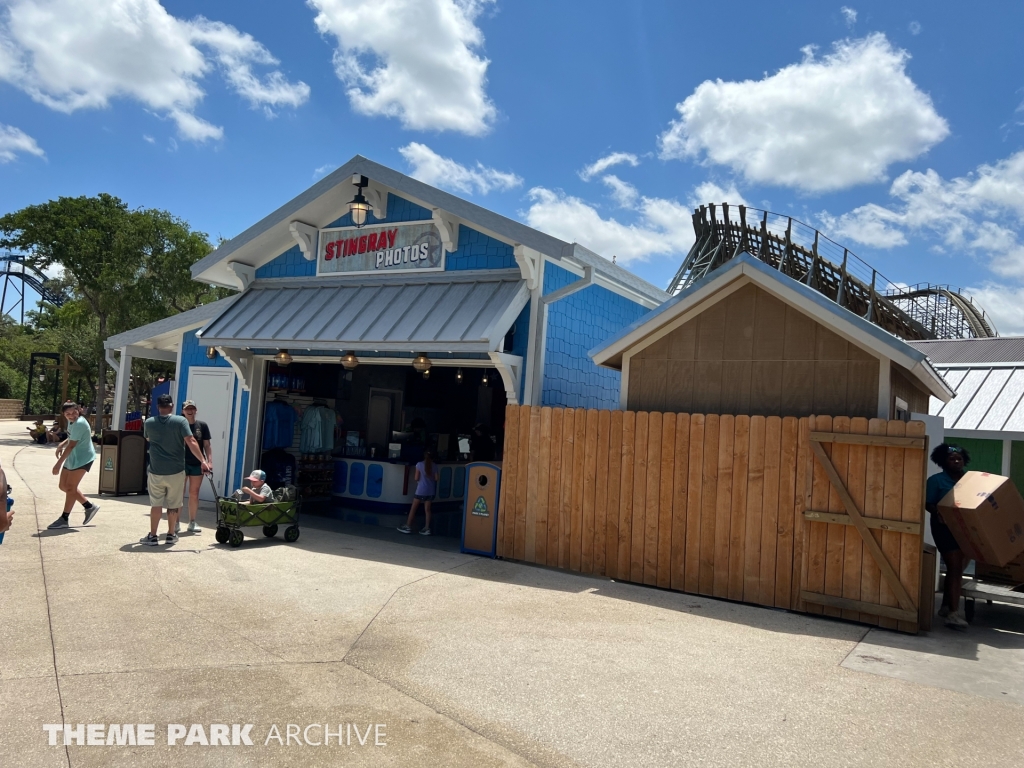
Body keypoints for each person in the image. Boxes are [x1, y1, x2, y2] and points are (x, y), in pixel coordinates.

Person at [140, 393, 210, 546]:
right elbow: (191, 441)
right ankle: (171, 534)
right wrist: (203, 461)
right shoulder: (180, 421)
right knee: (173, 505)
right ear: (171, 406)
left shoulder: (149, 423)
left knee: (156, 504)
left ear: (158, 407)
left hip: (156, 470)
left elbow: (148, 439)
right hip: (177, 471)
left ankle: (153, 536)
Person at [925, 443, 970, 629]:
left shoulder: (970, 480)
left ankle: (945, 606)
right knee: (955, 567)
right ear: (943, 462)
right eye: (952, 459)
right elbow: (928, 503)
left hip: (965, 528)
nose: (957, 461)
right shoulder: (936, 481)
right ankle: (953, 613)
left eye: (959, 458)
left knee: (957, 568)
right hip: (944, 528)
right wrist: (939, 512)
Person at [47, 402, 100, 529]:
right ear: (63, 414)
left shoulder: (80, 423)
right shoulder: (72, 422)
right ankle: (89, 506)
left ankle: (64, 518)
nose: (71, 415)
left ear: (79, 410)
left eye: (74, 412)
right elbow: (72, 437)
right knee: (63, 486)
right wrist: (62, 444)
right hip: (73, 456)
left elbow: (71, 445)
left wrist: (58, 464)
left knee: (71, 488)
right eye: (68, 414)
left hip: (83, 458)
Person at [180, 399, 212, 533]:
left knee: (194, 493)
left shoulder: (202, 425)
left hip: (197, 464)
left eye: (192, 408)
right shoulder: (179, 425)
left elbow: (207, 445)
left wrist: (209, 462)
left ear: (196, 410)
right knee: (179, 493)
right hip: (181, 463)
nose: (190, 411)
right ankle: (175, 522)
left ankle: (192, 521)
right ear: (182, 411)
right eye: (187, 408)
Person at [398, 451, 439, 536]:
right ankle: (427, 528)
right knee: (427, 510)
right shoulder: (435, 466)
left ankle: (408, 526)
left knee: (413, 508)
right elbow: (436, 478)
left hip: (421, 490)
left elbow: (416, 478)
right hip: (431, 491)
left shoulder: (419, 464)